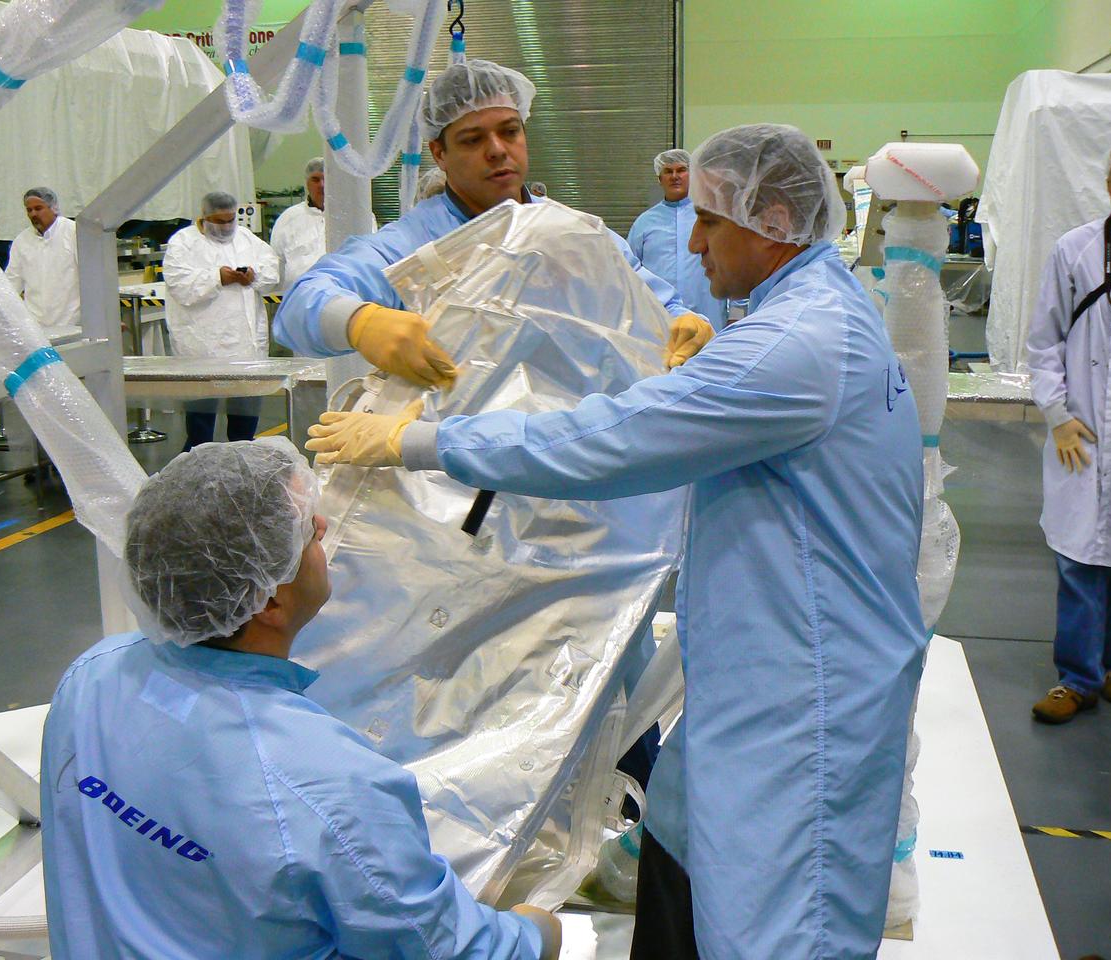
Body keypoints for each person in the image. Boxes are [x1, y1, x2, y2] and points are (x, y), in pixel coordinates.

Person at [306, 123, 927, 960]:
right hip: (761, 669)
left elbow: (608, 439)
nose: (693, 243)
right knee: (686, 863)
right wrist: (353, 317)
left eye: (710, 221)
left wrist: (418, 441)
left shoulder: (794, 344)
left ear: (775, 222)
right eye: (474, 137)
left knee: (780, 922)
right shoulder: (813, 314)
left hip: (803, 697)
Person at [41, 438, 562, 960]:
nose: (323, 526)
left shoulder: (92, 675)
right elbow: (453, 950)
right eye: (305, 531)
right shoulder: (326, 788)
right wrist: (536, 934)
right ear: (268, 600)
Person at [273, 58, 714, 389]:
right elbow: (301, 304)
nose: (498, 149)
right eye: (473, 139)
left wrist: (683, 321)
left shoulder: (574, 231)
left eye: (509, 131)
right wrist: (360, 321)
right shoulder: (412, 243)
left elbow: (651, 297)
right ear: (439, 153)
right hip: (453, 467)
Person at [1026, 141, 1111, 724]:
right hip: (1082, 434)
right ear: (1108, 185)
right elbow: (1044, 343)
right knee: (1081, 557)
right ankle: (1077, 679)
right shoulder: (1075, 250)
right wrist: (1058, 416)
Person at [162, 190, 279, 450]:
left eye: (230, 220)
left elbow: (272, 269)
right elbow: (179, 284)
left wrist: (255, 275)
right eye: (219, 221)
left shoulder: (247, 239)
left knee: (244, 425)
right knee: (201, 426)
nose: (226, 227)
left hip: (245, 347)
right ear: (203, 218)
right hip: (202, 347)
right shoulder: (183, 243)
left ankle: (241, 463)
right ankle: (198, 466)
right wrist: (217, 278)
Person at [628, 150, 728, 329]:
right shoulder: (644, 223)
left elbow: (734, 263)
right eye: (668, 171)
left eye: (681, 170)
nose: (675, 176)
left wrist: (737, 314)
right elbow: (629, 272)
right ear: (660, 179)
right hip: (659, 318)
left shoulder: (713, 216)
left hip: (709, 315)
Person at [269, 158, 378, 295]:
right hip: (300, 297)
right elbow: (276, 262)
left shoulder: (357, 215)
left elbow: (370, 257)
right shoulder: (289, 218)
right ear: (307, 183)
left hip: (346, 296)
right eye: (315, 180)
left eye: (327, 179)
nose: (321, 185)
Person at [4, 187, 79, 328]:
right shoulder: (22, 241)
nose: (33, 214)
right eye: (29, 210)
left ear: (53, 208)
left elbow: (92, 278)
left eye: (38, 208)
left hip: (72, 321)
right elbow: (12, 282)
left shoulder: (74, 233)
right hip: (36, 324)